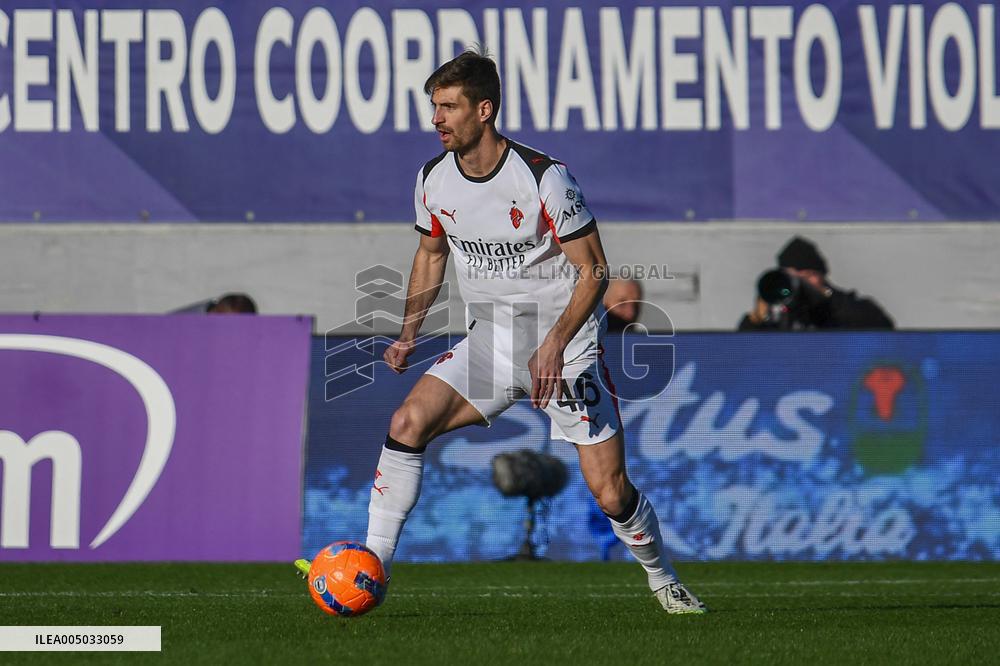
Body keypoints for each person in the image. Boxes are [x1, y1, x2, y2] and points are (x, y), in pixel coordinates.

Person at [297, 49, 705, 614]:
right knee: (407, 423)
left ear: (483, 109)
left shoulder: (544, 177)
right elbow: (430, 254)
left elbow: (595, 272)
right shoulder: (432, 179)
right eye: (434, 107)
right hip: (491, 341)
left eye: (448, 107)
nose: (436, 119)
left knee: (610, 492)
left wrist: (556, 344)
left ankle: (665, 580)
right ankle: (371, 570)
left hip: (565, 349)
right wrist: (407, 332)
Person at [739, 236, 894, 331]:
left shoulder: (842, 306)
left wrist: (827, 301)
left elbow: (883, 330)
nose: (800, 284)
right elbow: (742, 352)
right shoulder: (779, 312)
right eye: (792, 277)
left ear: (822, 276)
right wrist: (757, 318)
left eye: (808, 276)